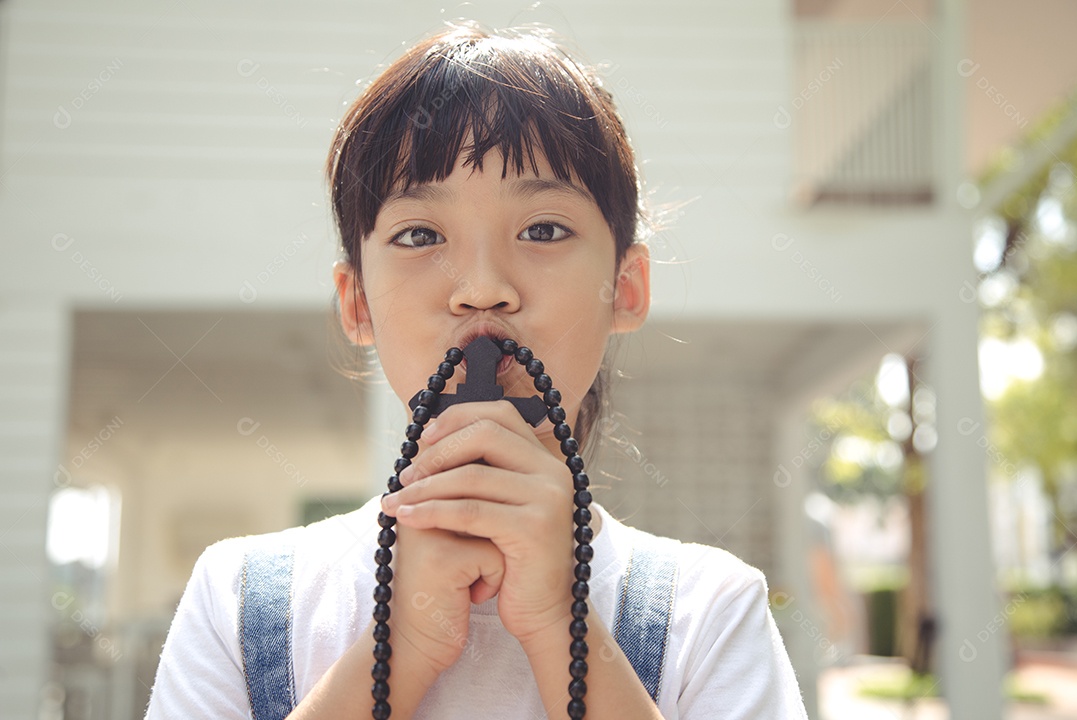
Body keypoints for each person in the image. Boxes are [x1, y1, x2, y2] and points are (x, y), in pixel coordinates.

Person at [145, 23, 808, 720]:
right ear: (357, 302)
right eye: (420, 235)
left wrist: (560, 621)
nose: (483, 288)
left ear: (628, 285)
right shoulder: (241, 598)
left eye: (544, 230)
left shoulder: (707, 612)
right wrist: (403, 643)